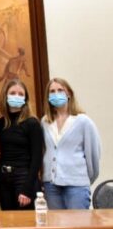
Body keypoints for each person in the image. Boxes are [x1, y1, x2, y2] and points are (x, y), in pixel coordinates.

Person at [41, 77, 101, 209]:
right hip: (51, 185)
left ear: (69, 94)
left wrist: (84, 179)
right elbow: (44, 151)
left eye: (60, 90)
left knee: (78, 221)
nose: (56, 94)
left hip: (76, 186)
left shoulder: (83, 121)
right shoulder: (45, 122)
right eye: (52, 91)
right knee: (56, 222)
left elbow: (93, 155)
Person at [0, 79, 44, 210]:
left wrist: (27, 189)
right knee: (7, 220)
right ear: (5, 96)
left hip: (24, 178)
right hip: (4, 180)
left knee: (26, 220)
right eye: (12, 93)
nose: (16, 96)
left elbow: (37, 159)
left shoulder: (32, 123)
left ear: (25, 99)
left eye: (20, 94)